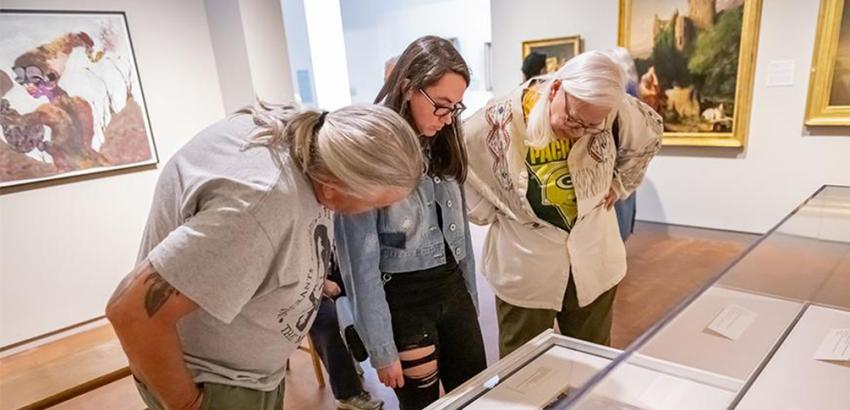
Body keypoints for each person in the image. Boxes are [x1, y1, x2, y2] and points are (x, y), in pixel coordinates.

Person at [105, 102, 423, 410]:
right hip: (216, 383)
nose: (374, 213)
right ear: (333, 186)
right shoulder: (260, 205)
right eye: (375, 204)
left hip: (251, 376)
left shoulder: (311, 133)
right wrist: (189, 405)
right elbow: (131, 312)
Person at [463, 50, 663, 357]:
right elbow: (461, 163)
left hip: (594, 258)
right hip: (527, 265)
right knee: (523, 367)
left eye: (591, 127)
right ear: (556, 89)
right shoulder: (498, 120)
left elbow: (650, 131)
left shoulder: (613, 108)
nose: (577, 131)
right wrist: (497, 207)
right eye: (573, 119)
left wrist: (620, 182)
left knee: (591, 360)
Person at [335, 36, 486, 410]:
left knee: (475, 395)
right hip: (403, 301)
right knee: (420, 404)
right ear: (407, 87)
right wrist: (381, 347)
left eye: (456, 107)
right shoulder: (371, 150)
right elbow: (359, 263)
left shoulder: (444, 138)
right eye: (441, 105)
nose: (448, 117)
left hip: (453, 292)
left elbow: (461, 235)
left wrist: (470, 298)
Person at [308, 259, 383, 410]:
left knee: (379, 285)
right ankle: (348, 394)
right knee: (329, 320)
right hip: (306, 286)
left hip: (337, 271)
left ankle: (369, 352)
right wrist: (320, 283)